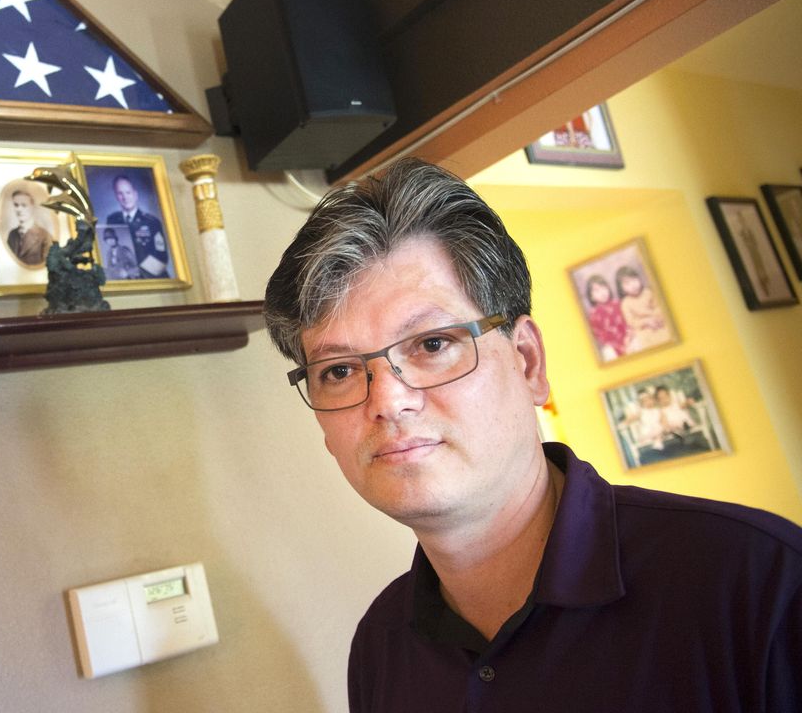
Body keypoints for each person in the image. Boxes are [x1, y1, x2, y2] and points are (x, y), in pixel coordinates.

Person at [263, 158, 802, 711]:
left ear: (526, 361)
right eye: (339, 371)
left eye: (431, 344)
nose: (388, 400)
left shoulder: (758, 583)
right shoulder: (378, 648)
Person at [105, 175, 170, 278]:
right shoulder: (112, 220)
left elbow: (161, 258)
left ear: (135, 194)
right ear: (116, 196)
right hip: (127, 279)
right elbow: (114, 252)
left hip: (153, 278)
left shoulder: (152, 222)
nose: (125, 197)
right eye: (120, 193)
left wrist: (134, 271)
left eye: (128, 192)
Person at [615, 264, 670, 352]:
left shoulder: (648, 292)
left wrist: (655, 319)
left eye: (634, 280)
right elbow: (631, 321)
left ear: (639, 279)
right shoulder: (625, 303)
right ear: (622, 289)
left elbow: (659, 308)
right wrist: (646, 322)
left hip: (658, 323)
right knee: (639, 344)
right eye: (627, 283)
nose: (632, 285)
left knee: (667, 334)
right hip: (642, 329)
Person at [4, 188, 54, 267]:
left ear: (32, 207)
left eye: (24, 205)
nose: (19, 209)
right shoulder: (12, 235)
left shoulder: (45, 236)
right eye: (16, 205)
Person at [583, 274, 626, 361]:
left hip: (627, 339)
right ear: (591, 296)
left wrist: (628, 338)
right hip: (611, 345)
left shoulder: (618, 304)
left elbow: (627, 322)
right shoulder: (594, 314)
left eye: (604, 288)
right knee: (608, 353)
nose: (602, 292)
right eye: (597, 291)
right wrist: (613, 345)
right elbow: (599, 334)